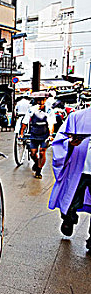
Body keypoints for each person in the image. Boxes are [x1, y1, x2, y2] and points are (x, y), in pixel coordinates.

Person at [48, 107, 91, 250]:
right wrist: (70, 144)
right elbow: (60, 141)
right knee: (71, 199)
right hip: (81, 169)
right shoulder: (76, 117)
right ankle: (69, 218)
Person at [19, 91, 56, 179]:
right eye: (38, 100)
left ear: (45, 100)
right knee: (33, 153)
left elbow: (51, 123)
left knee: (42, 151)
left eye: (42, 100)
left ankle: (38, 170)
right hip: (34, 133)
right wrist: (21, 133)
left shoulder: (49, 110)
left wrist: (51, 134)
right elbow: (25, 121)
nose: (40, 102)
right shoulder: (31, 109)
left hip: (44, 134)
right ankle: (36, 162)